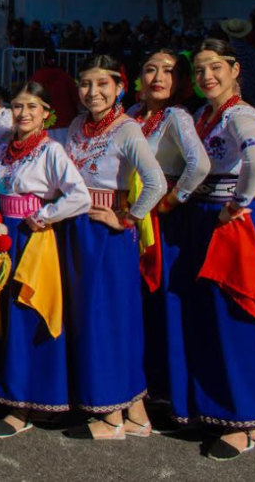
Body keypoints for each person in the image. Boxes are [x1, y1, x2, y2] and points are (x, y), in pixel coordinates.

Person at [170, 39, 255, 459]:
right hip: (203, 220)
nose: (207, 77)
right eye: (199, 71)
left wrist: (236, 205)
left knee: (240, 317)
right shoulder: (203, 115)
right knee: (212, 318)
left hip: (232, 225)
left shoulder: (240, 113)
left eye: (215, 67)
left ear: (235, 69)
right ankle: (243, 415)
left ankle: (250, 419)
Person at [61, 54, 165, 439]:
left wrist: (126, 218)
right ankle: (135, 412)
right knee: (91, 320)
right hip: (78, 231)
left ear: (120, 88)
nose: (93, 92)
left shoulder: (127, 129)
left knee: (111, 321)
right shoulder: (75, 125)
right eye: (86, 84)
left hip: (109, 235)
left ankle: (113, 417)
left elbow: (156, 183)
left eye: (103, 84)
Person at [0, 82, 90, 438]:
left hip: (34, 240)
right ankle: (14, 397)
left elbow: (80, 196)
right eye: (17, 106)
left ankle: (34, 401)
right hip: (4, 238)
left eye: (32, 106)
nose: (24, 113)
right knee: (8, 318)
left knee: (31, 315)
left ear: (46, 112)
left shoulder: (51, 151)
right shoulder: (3, 150)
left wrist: (45, 215)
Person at [127, 49, 210, 407]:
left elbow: (199, 163)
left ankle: (173, 394)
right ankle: (141, 385)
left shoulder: (175, 116)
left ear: (182, 80)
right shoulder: (131, 115)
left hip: (165, 222)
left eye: (169, 71)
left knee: (168, 299)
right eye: (150, 70)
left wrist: (173, 200)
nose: (158, 77)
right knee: (138, 303)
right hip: (132, 216)